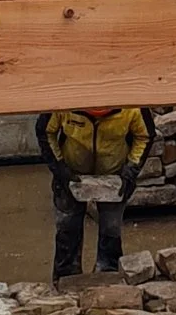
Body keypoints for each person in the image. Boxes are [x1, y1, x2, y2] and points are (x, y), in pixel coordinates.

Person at [35, 103, 156, 282]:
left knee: (111, 229)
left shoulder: (131, 107)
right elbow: (45, 132)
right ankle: (65, 278)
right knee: (67, 229)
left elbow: (145, 135)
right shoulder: (64, 104)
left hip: (114, 174)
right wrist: (60, 169)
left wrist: (129, 171)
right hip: (71, 173)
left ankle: (108, 277)